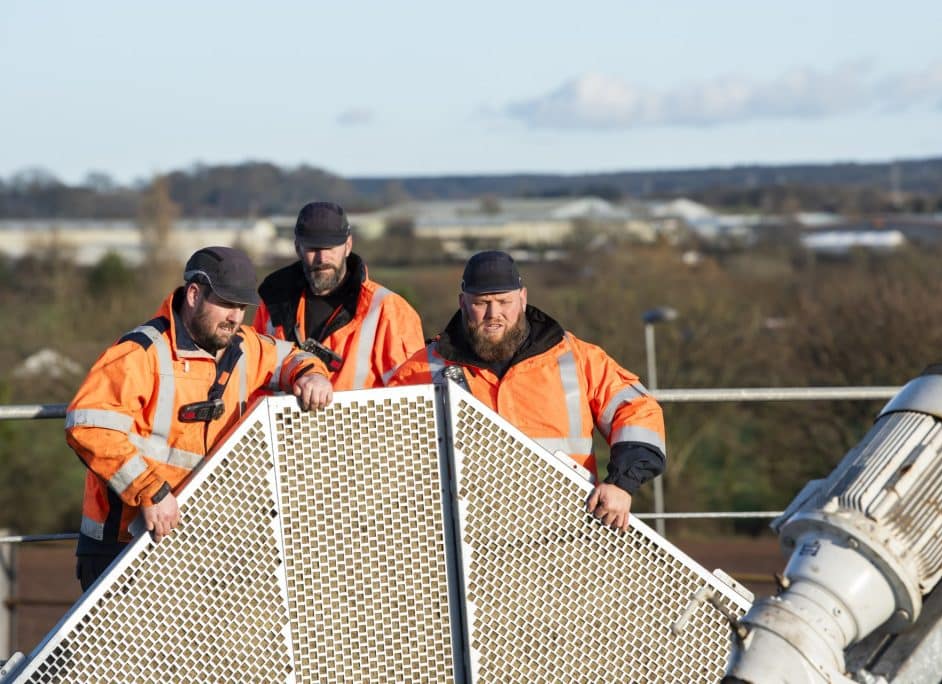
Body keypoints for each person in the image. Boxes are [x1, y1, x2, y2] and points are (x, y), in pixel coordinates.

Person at [66, 246, 334, 591]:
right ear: (193, 294)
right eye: (226, 303)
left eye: (242, 307)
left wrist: (312, 374)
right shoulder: (141, 353)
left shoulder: (244, 347)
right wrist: (150, 491)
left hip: (196, 546)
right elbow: (88, 425)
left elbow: (291, 358)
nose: (235, 317)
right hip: (123, 547)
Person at [388, 250, 666, 531]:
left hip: (564, 533)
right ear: (462, 302)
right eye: (481, 303)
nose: (493, 314)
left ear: (522, 298)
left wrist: (621, 484)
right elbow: (384, 449)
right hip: (466, 538)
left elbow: (638, 411)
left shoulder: (577, 358)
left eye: (503, 301)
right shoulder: (421, 369)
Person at [254, 201, 424, 390]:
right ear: (297, 248)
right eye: (313, 249)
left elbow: (412, 395)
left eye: (330, 248)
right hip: (286, 418)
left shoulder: (389, 310)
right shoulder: (272, 302)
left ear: (348, 246)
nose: (322, 258)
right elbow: (258, 374)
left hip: (362, 419)